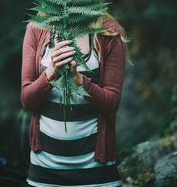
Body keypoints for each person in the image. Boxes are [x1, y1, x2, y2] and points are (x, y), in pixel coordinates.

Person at [21, 12, 131, 187]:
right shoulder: (37, 28)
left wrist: (80, 80)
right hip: (45, 171)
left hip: (96, 170)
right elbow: (27, 100)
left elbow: (112, 103)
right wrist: (50, 73)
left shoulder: (108, 31)